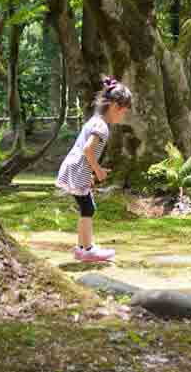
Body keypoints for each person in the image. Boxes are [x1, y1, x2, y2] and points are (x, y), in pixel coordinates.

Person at [55, 75, 133, 263]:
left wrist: (89, 172)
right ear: (115, 107)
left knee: (86, 207)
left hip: (76, 168)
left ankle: (82, 248)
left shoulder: (95, 120)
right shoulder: (102, 126)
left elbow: (86, 151)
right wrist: (97, 171)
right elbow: (88, 149)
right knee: (88, 208)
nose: (122, 116)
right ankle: (88, 249)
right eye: (123, 112)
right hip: (77, 169)